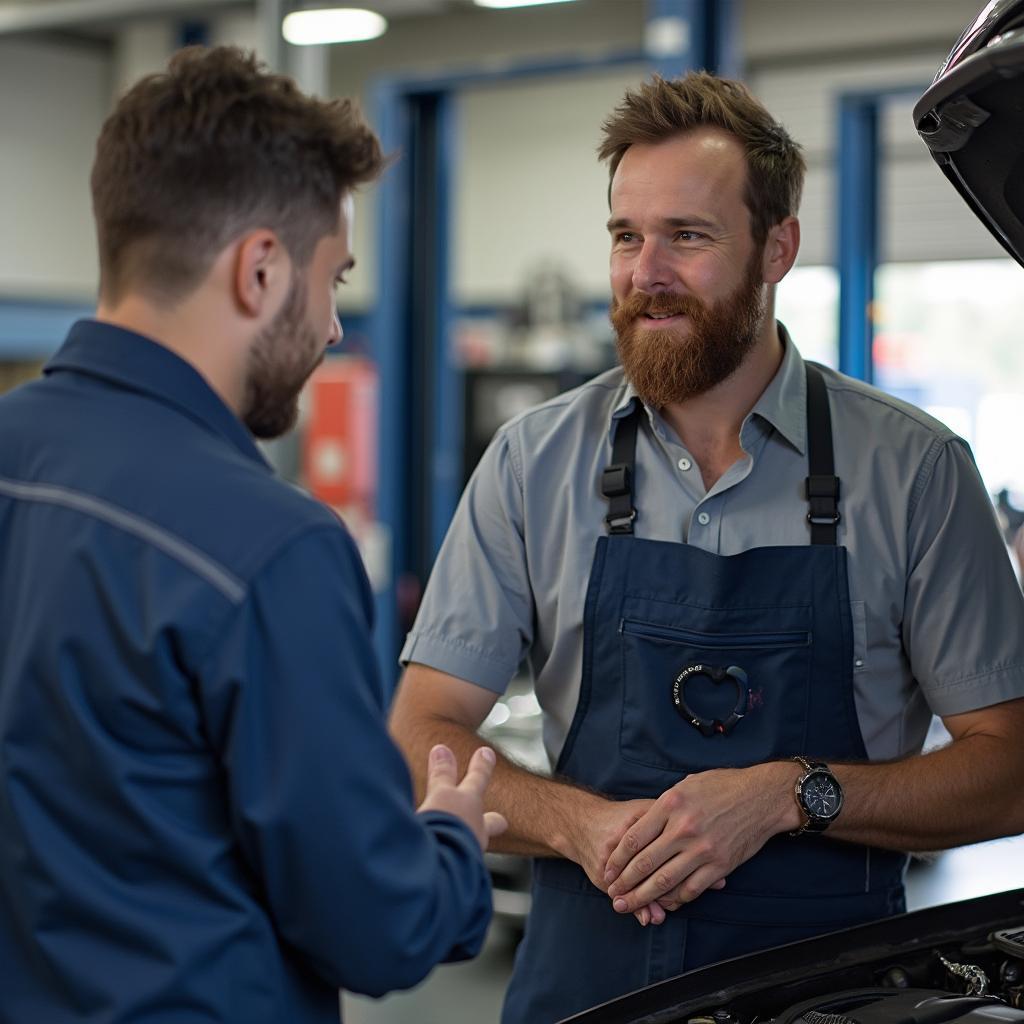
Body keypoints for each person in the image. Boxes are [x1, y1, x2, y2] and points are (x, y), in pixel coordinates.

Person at [389, 71, 1024, 1023]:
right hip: (585, 990)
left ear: (778, 248)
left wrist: (789, 796)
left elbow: (1009, 769)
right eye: (625, 236)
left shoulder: (915, 470)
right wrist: (583, 825)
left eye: (687, 236)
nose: (646, 272)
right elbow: (417, 738)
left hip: (834, 991)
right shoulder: (533, 462)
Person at [0, 46, 505, 1024]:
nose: (327, 328)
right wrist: (449, 841)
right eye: (331, 280)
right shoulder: (268, 548)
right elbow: (379, 922)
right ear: (261, 268)